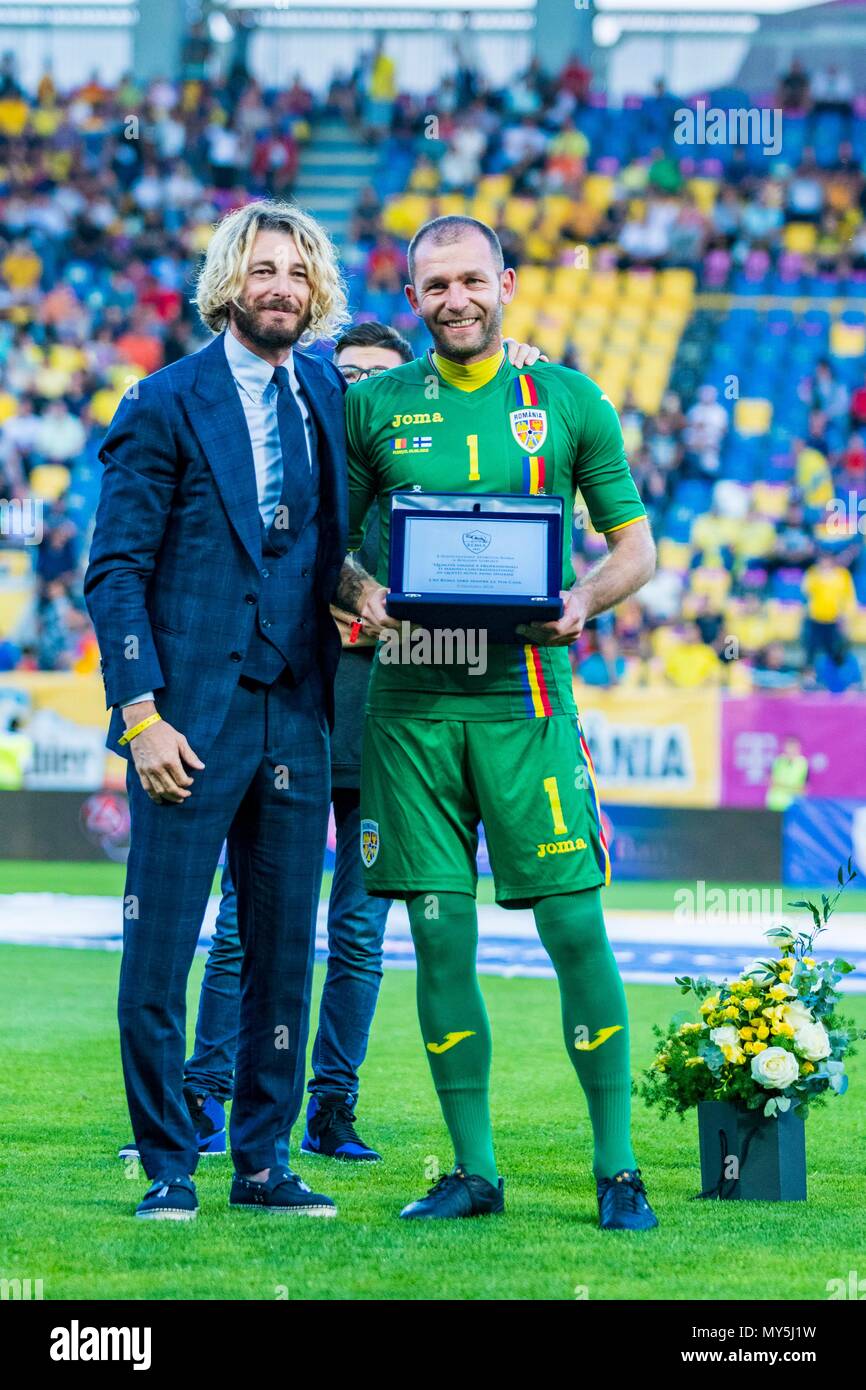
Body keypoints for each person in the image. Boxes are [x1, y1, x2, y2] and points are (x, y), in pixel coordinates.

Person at [115, 324, 547, 1168]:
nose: (359, 394)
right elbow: (251, 587)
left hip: (381, 731)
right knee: (248, 926)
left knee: (354, 933)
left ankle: (328, 1109)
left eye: (378, 380)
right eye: (346, 376)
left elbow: (463, 617)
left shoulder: (420, 485)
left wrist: (515, 361)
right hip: (292, 717)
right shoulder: (306, 462)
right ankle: (207, 1099)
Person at [336, 215, 659, 1230]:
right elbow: (328, 552)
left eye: (470, 280)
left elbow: (633, 549)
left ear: (507, 283)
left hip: (525, 702)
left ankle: (617, 1168)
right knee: (438, 939)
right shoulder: (373, 406)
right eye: (433, 287)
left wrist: (581, 602)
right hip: (411, 711)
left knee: (574, 927)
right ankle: (472, 1172)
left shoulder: (565, 398)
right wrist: (361, 592)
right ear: (412, 300)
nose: (454, 300)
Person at [85, 200, 350, 1221]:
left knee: (283, 957)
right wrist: (141, 714)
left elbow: (340, 539)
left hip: (297, 710)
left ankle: (263, 1165)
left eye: (295, 271)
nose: (278, 285)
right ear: (227, 283)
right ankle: (166, 1166)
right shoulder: (161, 401)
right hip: (185, 721)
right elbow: (113, 573)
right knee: (160, 956)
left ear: (313, 287)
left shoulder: (326, 393)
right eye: (261, 268)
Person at [765, 737, 809, 812]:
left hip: (794, 805)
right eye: (789, 747)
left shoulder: (803, 763)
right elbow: (769, 781)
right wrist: (793, 787)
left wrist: (780, 785)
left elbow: (805, 788)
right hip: (776, 804)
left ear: (798, 749)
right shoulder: (778, 761)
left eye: (793, 748)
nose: (791, 751)